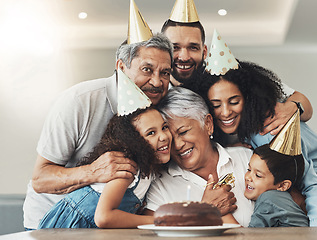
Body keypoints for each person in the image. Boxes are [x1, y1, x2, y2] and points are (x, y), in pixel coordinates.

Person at [22, 2, 174, 229]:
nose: (156, 81)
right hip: (53, 224)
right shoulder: (79, 101)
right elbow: (40, 180)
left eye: (165, 73)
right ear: (121, 67)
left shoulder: (159, 107)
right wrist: (93, 171)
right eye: (146, 69)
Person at [188, 30, 317, 226]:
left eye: (234, 101)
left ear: (248, 99)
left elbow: (314, 185)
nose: (225, 112)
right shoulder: (231, 131)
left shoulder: (268, 129)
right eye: (216, 105)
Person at [38, 72, 172, 228]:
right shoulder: (126, 168)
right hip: (67, 228)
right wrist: (160, 221)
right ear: (134, 141)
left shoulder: (147, 171)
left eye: (164, 127)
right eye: (151, 133)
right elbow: (104, 217)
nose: (163, 136)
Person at [162, 1, 313, 136]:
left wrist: (293, 107)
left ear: (204, 51)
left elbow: (305, 104)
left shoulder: (227, 76)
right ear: (163, 50)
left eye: (193, 47)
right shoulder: (156, 91)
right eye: (175, 47)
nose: (184, 56)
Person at [144, 87, 254, 226]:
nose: (177, 145)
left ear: (208, 124)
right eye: (169, 138)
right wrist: (202, 213)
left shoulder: (247, 160)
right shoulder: (160, 186)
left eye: (183, 132)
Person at [246, 110, 308, 227]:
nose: (248, 177)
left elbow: (252, 235)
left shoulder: (269, 199)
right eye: (249, 170)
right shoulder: (284, 199)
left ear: (283, 186)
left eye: (258, 175)